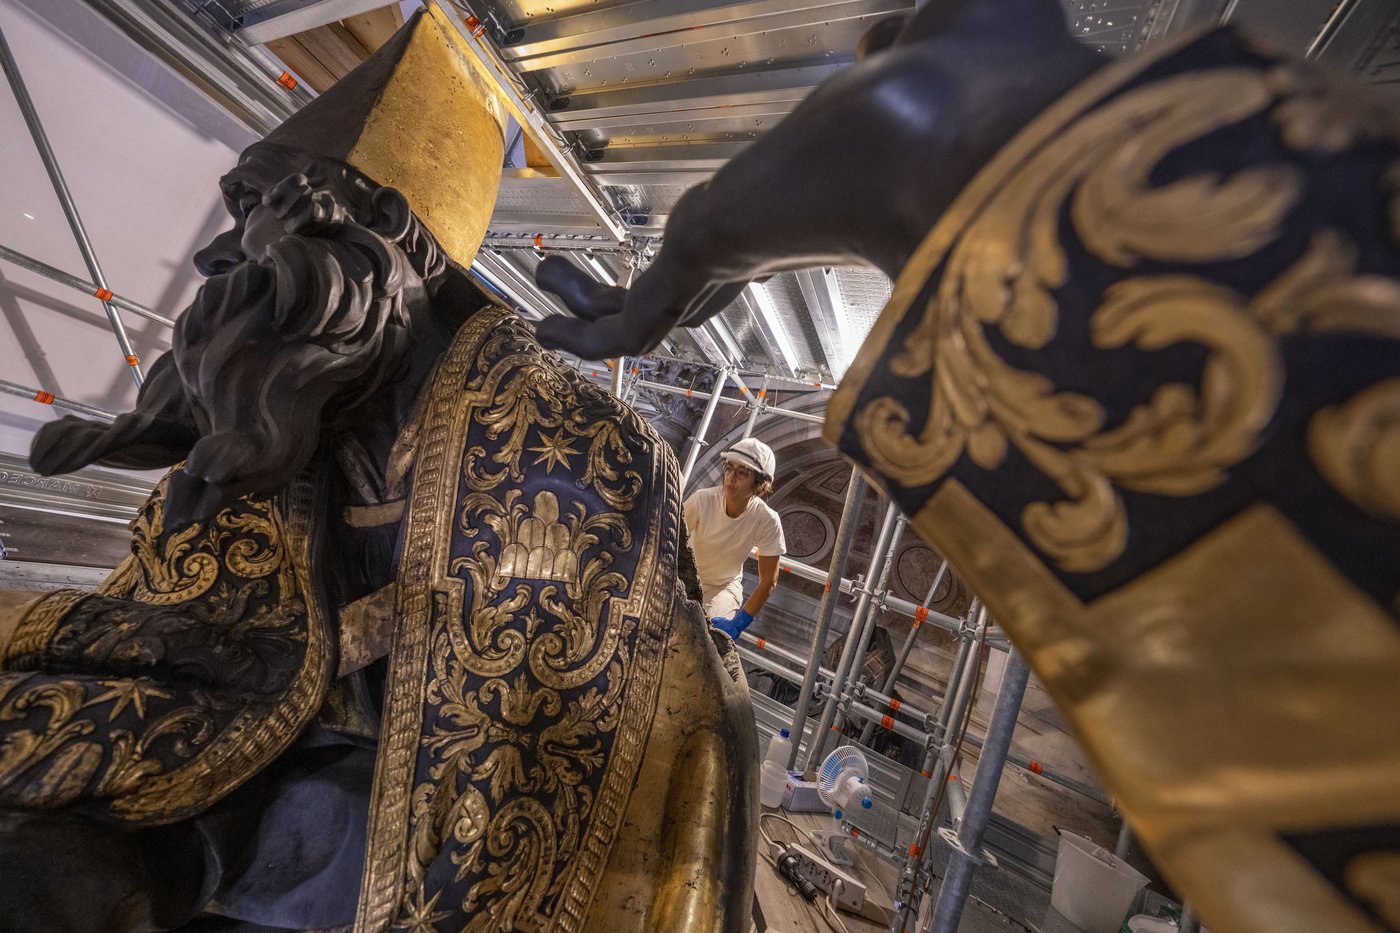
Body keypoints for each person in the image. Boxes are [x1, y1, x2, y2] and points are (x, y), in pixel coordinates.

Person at [0, 9, 758, 932]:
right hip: (265, 753)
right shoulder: (284, 413)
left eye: (274, 210)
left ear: (387, 237)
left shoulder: (578, 452)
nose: (227, 257)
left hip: (419, 815)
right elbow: (177, 638)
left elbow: (558, 754)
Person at [684, 437, 786, 641]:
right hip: (682, 575)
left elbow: (769, 580)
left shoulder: (767, 519)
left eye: (742, 473)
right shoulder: (702, 500)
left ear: (760, 483)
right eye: (729, 468)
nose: (730, 477)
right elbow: (667, 537)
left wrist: (739, 623)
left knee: (704, 639)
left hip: (721, 588)